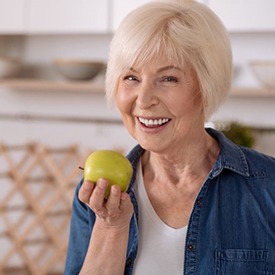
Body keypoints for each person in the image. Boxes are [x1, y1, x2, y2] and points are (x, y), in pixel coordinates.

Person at [64, 1, 275, 274]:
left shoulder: (268, 186)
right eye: (130, 77)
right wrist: (110, 227)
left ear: (206, 86)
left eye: (169, 79)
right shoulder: (98, 194)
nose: (144, 100)